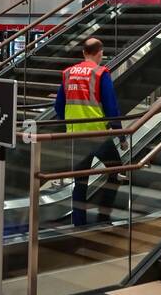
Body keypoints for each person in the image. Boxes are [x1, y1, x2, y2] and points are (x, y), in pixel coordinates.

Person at [54, 37, 126, 227]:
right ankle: (103, 216)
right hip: (98, 136)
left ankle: (79, 223)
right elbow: (111, 108)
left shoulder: (68, 73)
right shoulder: (101, 73)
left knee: (80, 182)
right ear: (100, 53)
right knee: (116, 171)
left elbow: (58, 105)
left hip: (75, 135)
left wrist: (70, 123)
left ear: (83, 52)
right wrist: (121, 136)